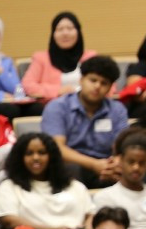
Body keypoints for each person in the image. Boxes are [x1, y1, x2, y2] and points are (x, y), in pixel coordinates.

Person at [0, 134, 94, 229]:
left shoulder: (74, 185)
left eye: (42, 153)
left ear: (52, 156)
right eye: (29, 153)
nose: (36, 158)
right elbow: (9, 220)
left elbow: (91, 214)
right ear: (20, 158)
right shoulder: (9, 187)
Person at [39, 55, 127, 187]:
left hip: (104, 166)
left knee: (129, 170)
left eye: (104, 83)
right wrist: (93, 164)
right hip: (71, 165)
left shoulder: (117, 110)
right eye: (93, 80)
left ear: (110, 88)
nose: (97, 86)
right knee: (70, 170)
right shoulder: (57, 107)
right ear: (81, 80)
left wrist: (114, 163)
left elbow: (122, 147)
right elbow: (57, 148)